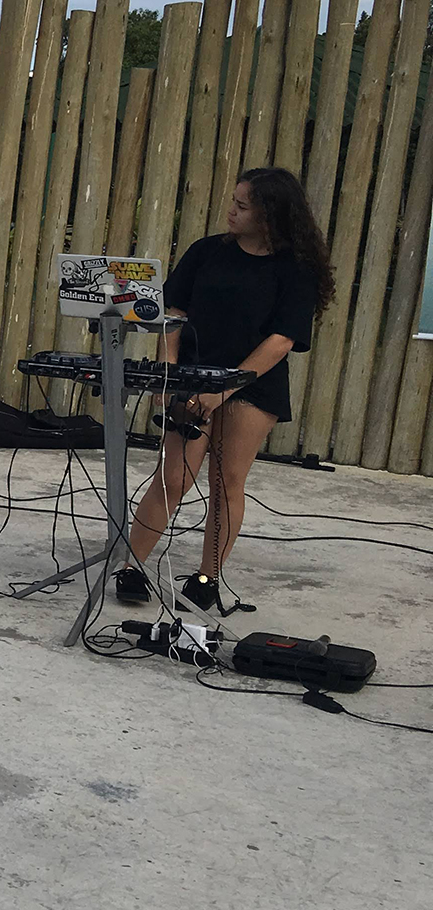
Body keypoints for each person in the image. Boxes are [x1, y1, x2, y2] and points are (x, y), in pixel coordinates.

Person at [116, 167, 334, 612]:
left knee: (227, 479)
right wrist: (168, 369)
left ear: (269, 214)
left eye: (242, 206)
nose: (231, 211)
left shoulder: (295, 269)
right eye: (233, 201)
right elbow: (173, 311)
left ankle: (206, 578)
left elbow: (282, 340)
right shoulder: (207, 251)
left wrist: (225, 389)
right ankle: (131, 566)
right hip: (193, 375)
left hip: (252, 383)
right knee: (173, 477)